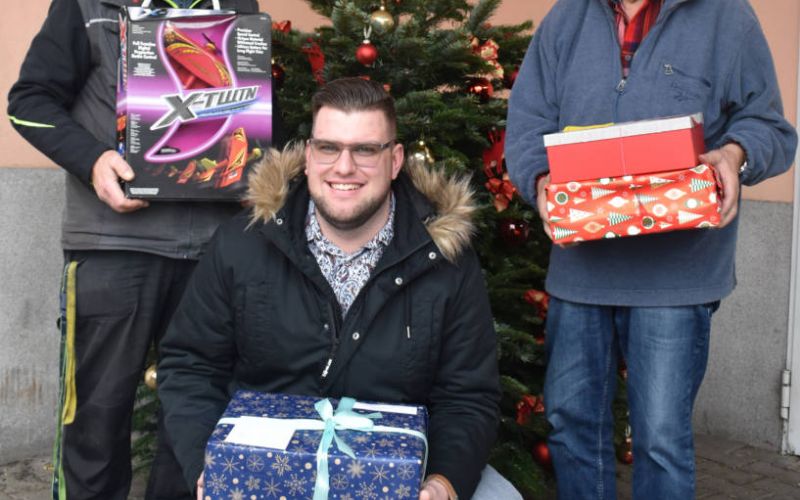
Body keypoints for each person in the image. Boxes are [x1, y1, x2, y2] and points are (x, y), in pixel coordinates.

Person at [157, 77, 519, 500]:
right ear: (309, 156)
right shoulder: (243, 244)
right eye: (329, 148)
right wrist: (210, 463)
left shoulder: (445, 260)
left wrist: (443, 481)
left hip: (397, 476)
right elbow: (190, 366)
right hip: (265, 473)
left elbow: (468, 397)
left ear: (395, 159)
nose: (344, 167)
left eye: (365, 150)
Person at [505, 0, 797, 498]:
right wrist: (538, 180)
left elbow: (770, 128)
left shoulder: (728, 18)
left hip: (678, 276)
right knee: (571, 427)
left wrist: (734, 153)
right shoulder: (567, 19)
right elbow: (527, 124)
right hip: (580, 272)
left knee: (660, 440)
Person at [7, 1, 277, 499]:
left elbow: (248, 109)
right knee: (96, 419)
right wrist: (93, 162)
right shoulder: (86, 5)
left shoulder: (239, 8)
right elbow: (29, 102)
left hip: (215, 254)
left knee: (195, 421)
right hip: (112, 246)